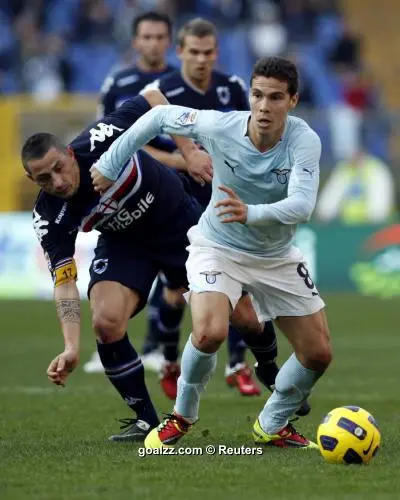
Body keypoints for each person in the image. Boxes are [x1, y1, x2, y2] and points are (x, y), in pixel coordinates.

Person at [92, 56, 332, 449]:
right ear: (249, 94)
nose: (263, 106)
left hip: (276, 254)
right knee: (209, 333)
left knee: (318, 354)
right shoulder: (223, 125)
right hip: (218, 247)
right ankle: (181, 417)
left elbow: (303, 205)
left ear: (292, 100)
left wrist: (250, 213)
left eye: (275, 98)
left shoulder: (304, 140)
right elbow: (158, 117)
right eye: (257, 95)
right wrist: (110, 161)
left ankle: (272, 423)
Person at [23, 89, 212, 443]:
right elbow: (64, 281)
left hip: (177, 220)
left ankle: (274, 384)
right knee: (106, 323)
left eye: (59, 169)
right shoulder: (47, 215)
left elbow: (155, 98)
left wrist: (189, 153)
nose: (58, 182)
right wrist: (71, 346)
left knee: (241, 315)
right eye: (44, 180)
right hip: (125, 244)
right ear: (35, 183)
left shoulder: (97, 139)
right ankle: (148, 422)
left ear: (68, 154)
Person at [140, 17, 270, 399]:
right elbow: (138, 147)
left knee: (237, 286)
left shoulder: (232, 88)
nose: (201, 60)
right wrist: (186, 160)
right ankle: (168, 359)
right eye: (193, 52)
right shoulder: (162, 92)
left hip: (224, 200)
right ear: (179, 52)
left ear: (216, 53)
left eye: (208, 52)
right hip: (175, 204)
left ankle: (238, 365)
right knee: (176, 290)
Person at [83, 11, 177, 374]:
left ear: (169, 41)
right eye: (147, 37)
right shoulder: (119, 83)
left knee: (175, 272)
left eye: (159, 37)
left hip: (178, 185)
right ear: (136, 41)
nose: (153, 43)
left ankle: (156, 346)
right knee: (121, 261)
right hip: (129, 186)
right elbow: (109, 137)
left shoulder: (180, 81)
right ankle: (109, 342)